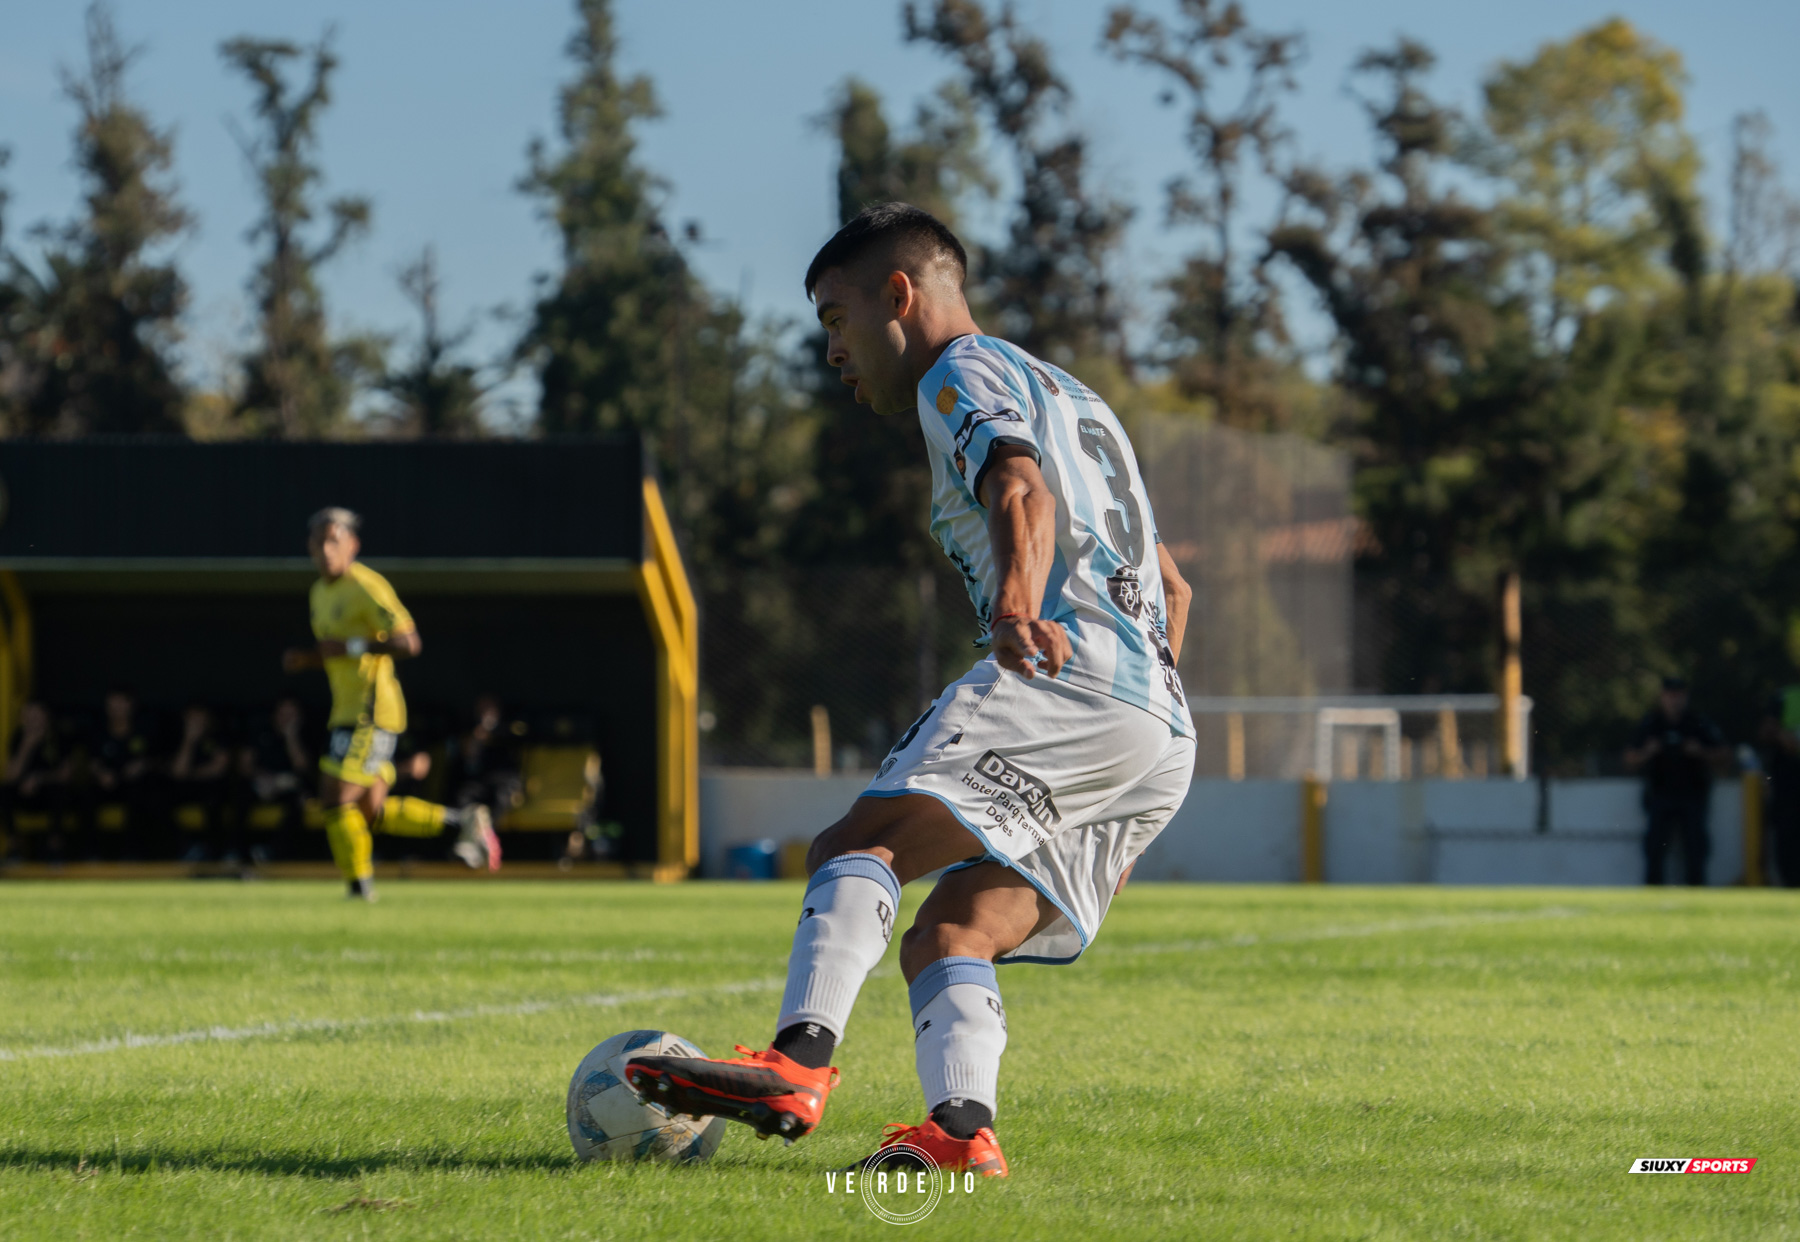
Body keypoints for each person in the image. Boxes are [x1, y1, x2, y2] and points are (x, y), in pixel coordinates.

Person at [626, 204, 1196, 1178]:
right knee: (953, 929)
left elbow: (1021, 489)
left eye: (836, 320)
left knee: (857, 844)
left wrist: (1017, 608)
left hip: (1068, 673)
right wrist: (1125, 773)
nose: (835, 352)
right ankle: (960, 1132)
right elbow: (1175, 586)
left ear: (901, 294)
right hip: (1157, 724)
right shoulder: (1082, 401)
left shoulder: (957, 371)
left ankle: (797, 1062)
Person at [281, 507, 501, 900]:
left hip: (371, 711)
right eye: (319, 542)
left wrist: (349, 647)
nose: (326, 550)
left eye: (334, 540)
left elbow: (408, 643)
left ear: (353, 545)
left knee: (334, 798)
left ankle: (359, 888)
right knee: (369, 810)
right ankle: (461, 822)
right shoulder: (319, 591)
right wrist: (308, 658)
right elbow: (335, 650)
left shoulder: (367, 585)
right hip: (344, 710)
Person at [1625, 676, 1728, 886]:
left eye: (1679, 695)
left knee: (1696, 850)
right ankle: (1653, 895)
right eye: (1671, 695)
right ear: (1662, 697)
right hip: (1659, 795)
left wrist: (1700, 752)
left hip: (1693, 796)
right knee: (1655, 850)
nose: (1675, 700)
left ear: (1686, 697)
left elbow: (1725, 754)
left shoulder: (1697, 722)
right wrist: (1648, 752)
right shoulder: (1651, 723)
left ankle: (1698, 894)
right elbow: (1629, 758)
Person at [237, 697, 312, 863]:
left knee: (298, 804)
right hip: (260, 784)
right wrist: (262, 778)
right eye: (283, 714)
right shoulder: (260, 732)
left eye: (291, 715)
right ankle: (240, 855)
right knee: (238, 799)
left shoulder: (305, 734)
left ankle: (274, 854)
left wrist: (291, 737)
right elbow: (244, 766)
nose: (286, 719)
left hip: (289, 788)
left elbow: (302, 767)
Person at [85, 687, 157, 858]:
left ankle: (132, 853)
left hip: (134, 785)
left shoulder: (144, 730)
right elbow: (92, 761)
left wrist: (141, 765)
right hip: (106, 783)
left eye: (120, 703)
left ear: (130, 705)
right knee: (87, 797)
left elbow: (157, 761)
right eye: (111, 704)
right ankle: (91, 854)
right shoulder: (99, 731)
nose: (115, 708)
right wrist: (101, 774)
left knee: (141, 796)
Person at [3, 701, 75, 861]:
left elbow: (66, 774)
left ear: (46, 715)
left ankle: (55, 848)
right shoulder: (19, 737)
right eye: (27, 715)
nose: (31, 719)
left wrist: (39, 779)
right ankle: (14, 846)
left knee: (59, 792)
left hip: (50, 793)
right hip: (25, 794)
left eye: (35, 714)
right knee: (5, 792)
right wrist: (26, 746)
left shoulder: (58, 737)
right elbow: (10, 776)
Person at [170, 703, 233, 862]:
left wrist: (191, 774)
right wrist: (189, 741)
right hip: (185, 790)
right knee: (159, 802)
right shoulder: (178, 738)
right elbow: (178, 772)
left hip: (211, 789)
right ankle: (186, 850)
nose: (196, 723)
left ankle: (217, 855)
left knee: (216, 802)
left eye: (200, 718)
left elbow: (218, 768)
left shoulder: (218, 737)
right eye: (192, 719)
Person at [1759, 690, 1800, 887]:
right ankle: (1790, 883)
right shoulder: (1786, 698)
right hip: (1788, 783)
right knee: (1787, 834)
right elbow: (1765, 732)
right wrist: (1780, 735)